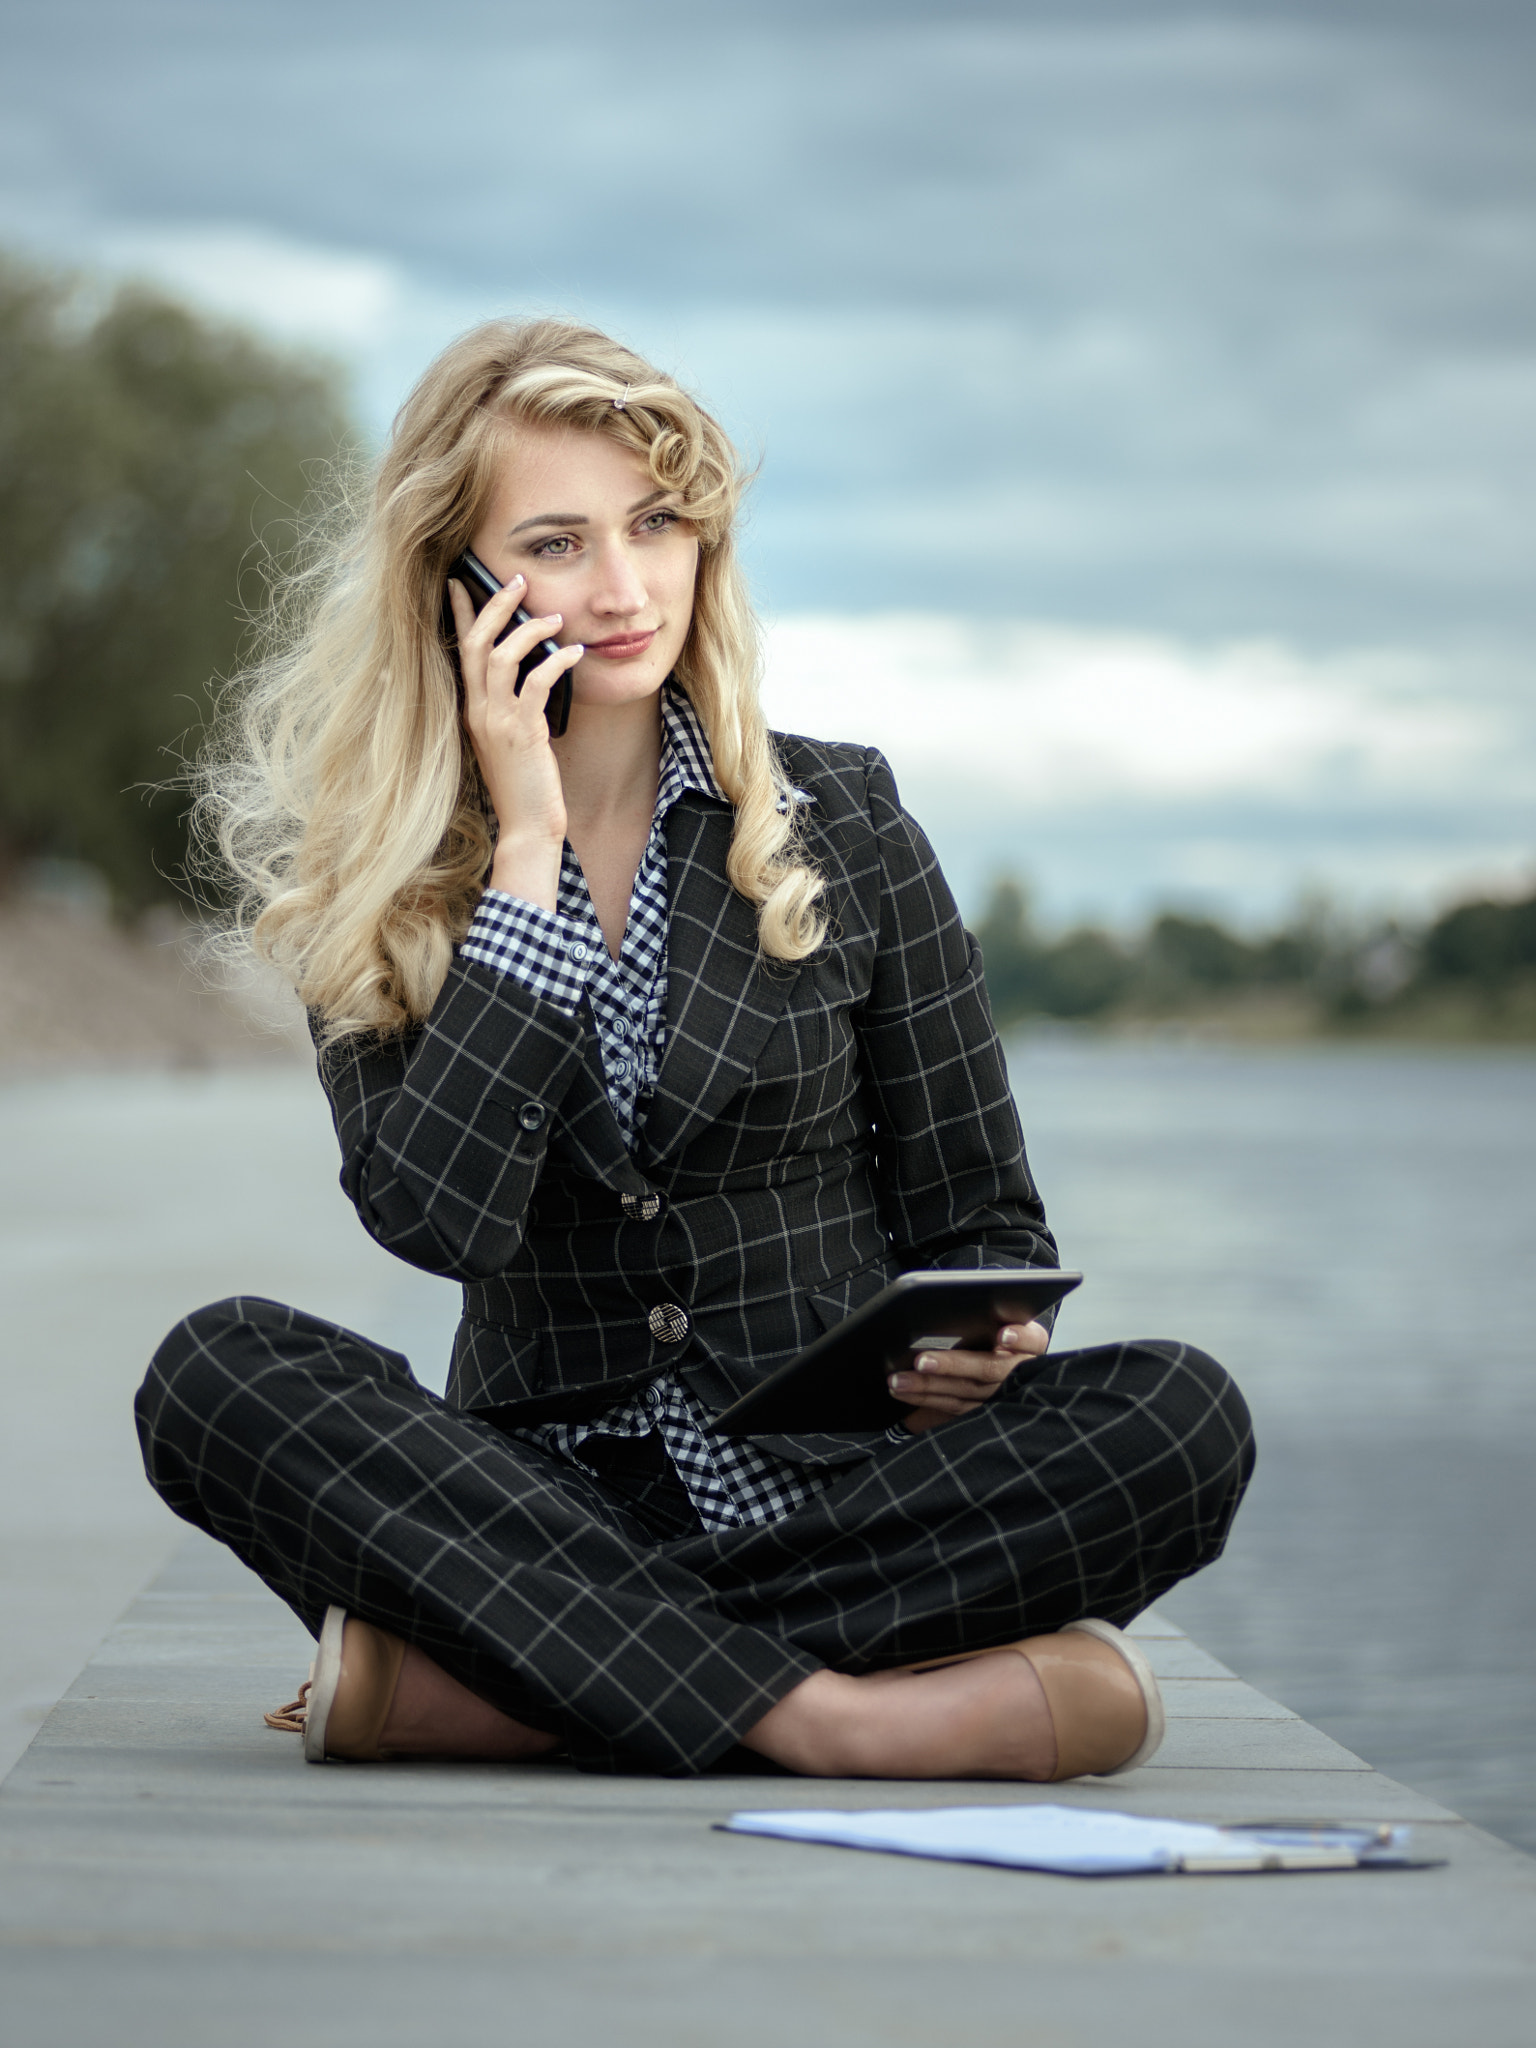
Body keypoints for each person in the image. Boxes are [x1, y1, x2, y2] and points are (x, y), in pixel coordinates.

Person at [136, 319, 1254, 1781]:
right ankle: (836, 1715)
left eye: (655, 523)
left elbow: (980, 1209)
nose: (622, 586)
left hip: (841, 1498)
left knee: (1181, 1420)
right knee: (217, 1376)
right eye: (555, 542)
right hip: (536, 1505)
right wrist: (526, 850)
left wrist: (986, 1348)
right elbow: (437, 1218)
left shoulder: (843, 819)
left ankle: (524, 1696)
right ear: (456, 584)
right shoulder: (379, 873)